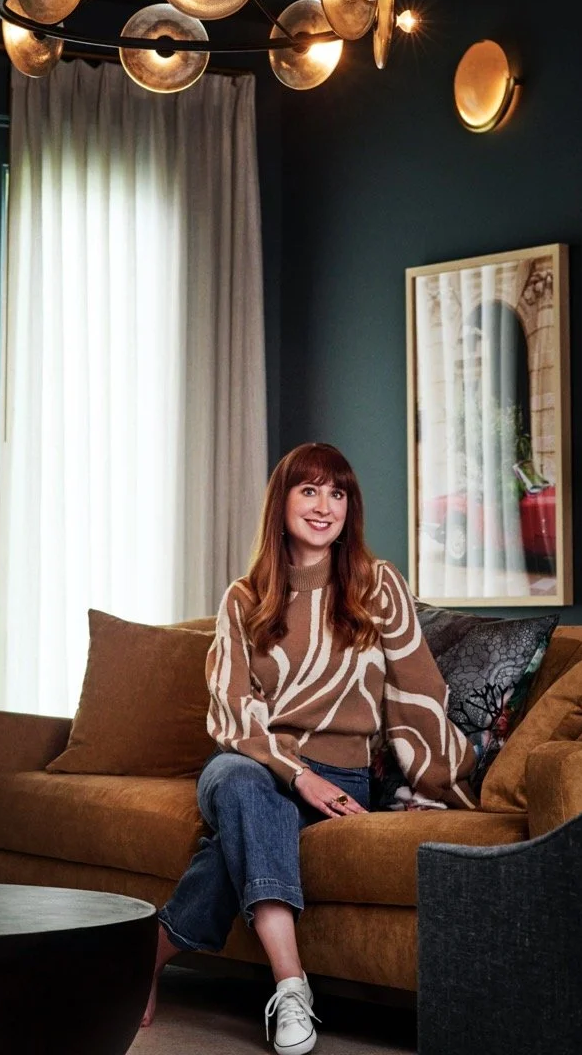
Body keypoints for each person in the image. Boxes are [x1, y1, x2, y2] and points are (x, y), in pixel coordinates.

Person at [141, 442, 476, 1054]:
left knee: (239, 836)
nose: (325, 506)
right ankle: (292, 986)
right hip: (248, 761)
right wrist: (297, 775)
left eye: (337, 493)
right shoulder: (244, 599)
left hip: (341, 777)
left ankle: (145, 958)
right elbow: (232, 712)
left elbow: (417, 692)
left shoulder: (378, 586)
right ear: (283, 502)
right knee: (244, 786)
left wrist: (432, 790)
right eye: (310, 490)